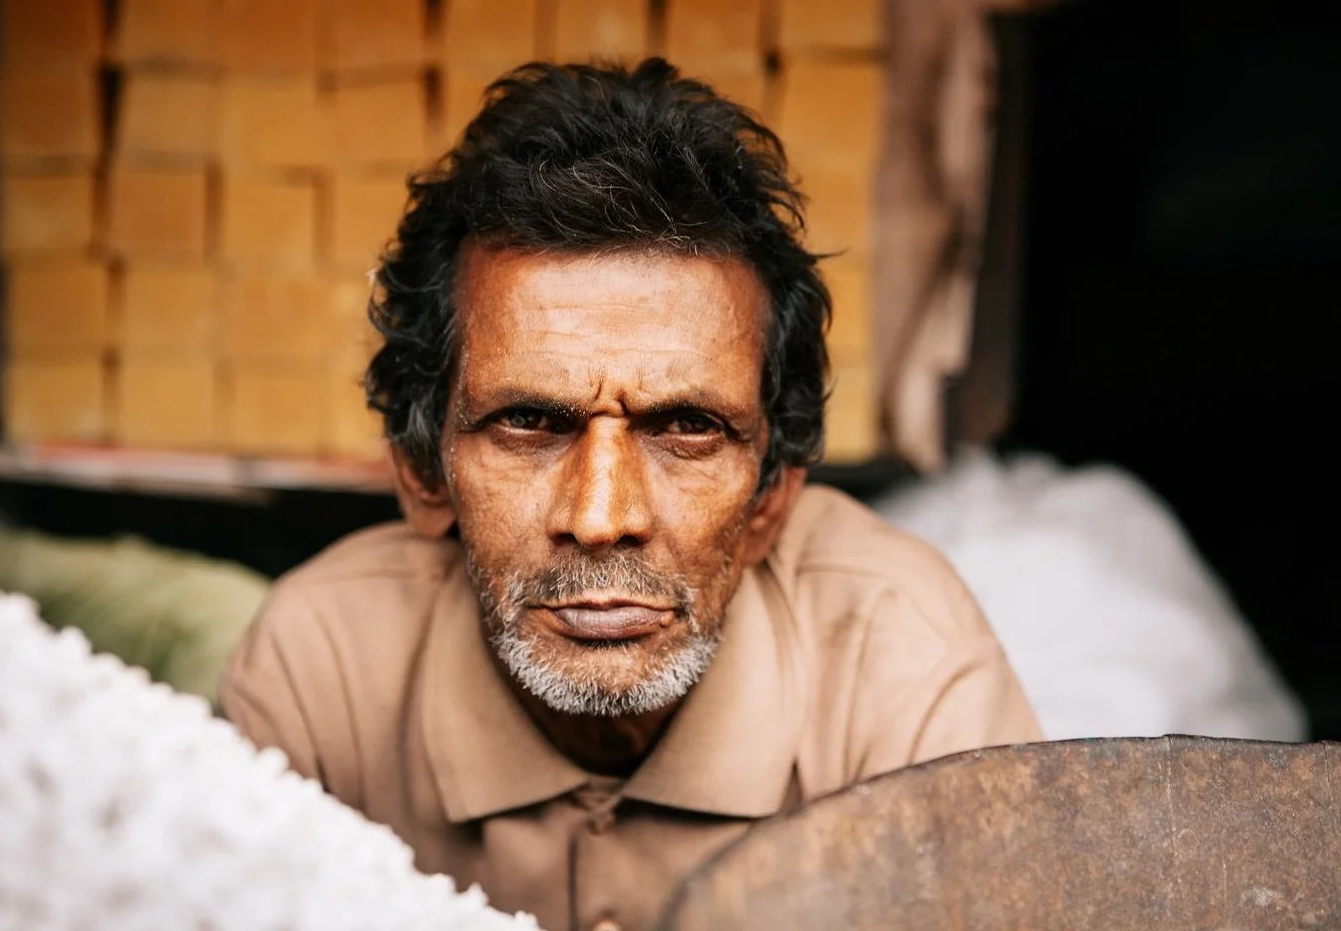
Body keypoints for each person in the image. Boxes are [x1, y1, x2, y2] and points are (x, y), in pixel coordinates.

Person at [220, 58, 1040, 931]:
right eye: (529, 422)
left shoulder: (902, 661)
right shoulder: (322, 673)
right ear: (423, 474)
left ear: (772, 494)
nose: (602, 518)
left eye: (687, 427)